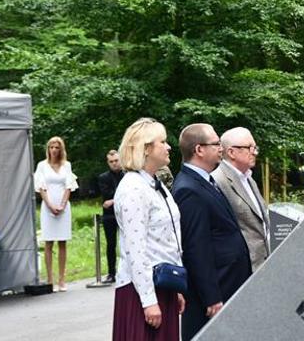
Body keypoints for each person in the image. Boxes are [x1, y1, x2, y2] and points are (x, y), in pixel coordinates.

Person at [173, 123, 252, 340]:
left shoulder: (204, 181)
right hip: (217, 288)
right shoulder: (188, 189)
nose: (221, 148)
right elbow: (196, 248)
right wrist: (211, 297)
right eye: (216, 143)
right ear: (199, 149)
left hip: (229, 281)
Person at [111, 118, 184, 340]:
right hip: (141, 290)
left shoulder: (154, 184)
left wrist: (177, 284)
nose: (168, 146)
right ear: (146, 149)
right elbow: (136, 250)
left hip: (163, 284)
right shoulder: (134, 188)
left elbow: (169, 237)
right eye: (162, 141)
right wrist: (148, 300)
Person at [211, 127, 270, 272]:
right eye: (249, 148)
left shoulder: (249, 178)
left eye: (255, 147)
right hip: (242, 269)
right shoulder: (217, 181)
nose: (254, 152)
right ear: (231, 152)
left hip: (264, 263)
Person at [34, 136, 78, 292]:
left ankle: (62, 279)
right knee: (48, 242)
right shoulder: (42, 166)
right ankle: (50, 279)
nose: (54, 150)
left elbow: (69, 186)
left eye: (56, 147)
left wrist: (62, 204)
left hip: (63, 207)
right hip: (48, 207)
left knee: (62, 242)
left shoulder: (67, 165)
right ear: (48, 149)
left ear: (61, 149)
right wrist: (50, 205)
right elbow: (41, 187)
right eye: (51, 147)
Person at [98, 150, 124, 284]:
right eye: (111, 161)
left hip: (125, 213)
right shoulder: (103, 177)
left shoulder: (127, 175)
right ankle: (111, 272)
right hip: (109, 216)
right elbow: (106, 194)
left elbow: (125, 194)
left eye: (116, 161)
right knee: (111, 244)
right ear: (108, 162)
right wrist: (117, 198)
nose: (114, 164)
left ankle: (127, 270)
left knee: (127, 243)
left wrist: (113, 200)